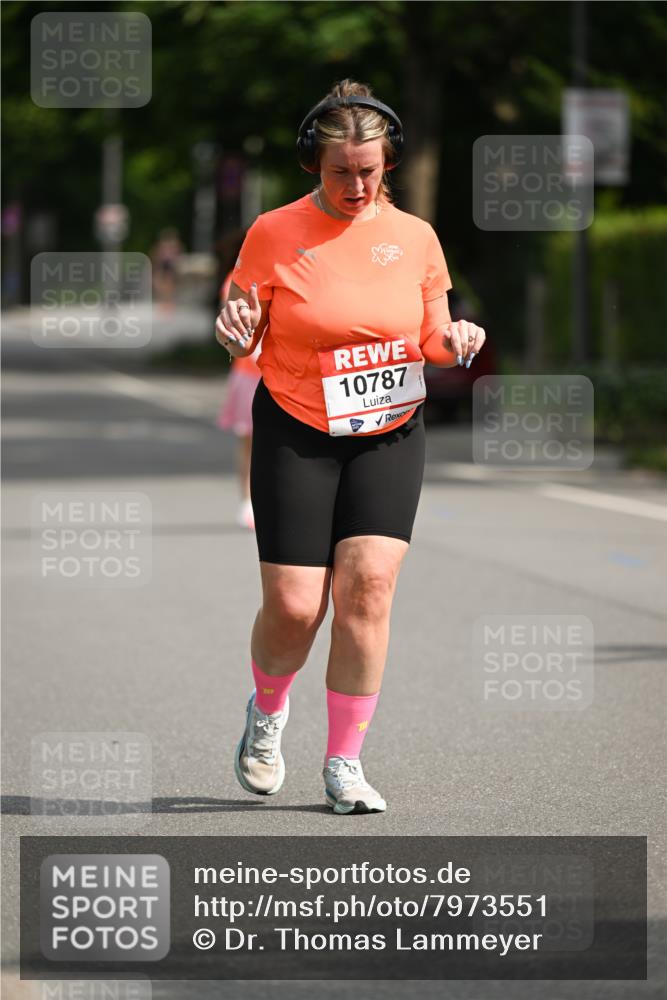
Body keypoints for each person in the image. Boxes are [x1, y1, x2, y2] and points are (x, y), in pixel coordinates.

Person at [215, 79, 486, 814]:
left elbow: (432, 335)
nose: (357, 185)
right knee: (295, 607)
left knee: (367, 589)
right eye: (341, 171)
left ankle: (344, 763)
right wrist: (234, 332)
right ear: (314, 162)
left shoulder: (417, 237)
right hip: (297, 427)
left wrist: (456, 339)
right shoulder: (273, 231)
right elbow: (240, 324)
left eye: (369, 170)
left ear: (387, 163)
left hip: (389, 431)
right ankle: (267, 711)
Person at [216, 232, 262, 530]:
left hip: (278, 372)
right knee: (248, 440)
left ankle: (267, 499)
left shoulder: (279, 275)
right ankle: (247, 500)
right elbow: (231, 325)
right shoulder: (234, 280)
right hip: (248, 372)